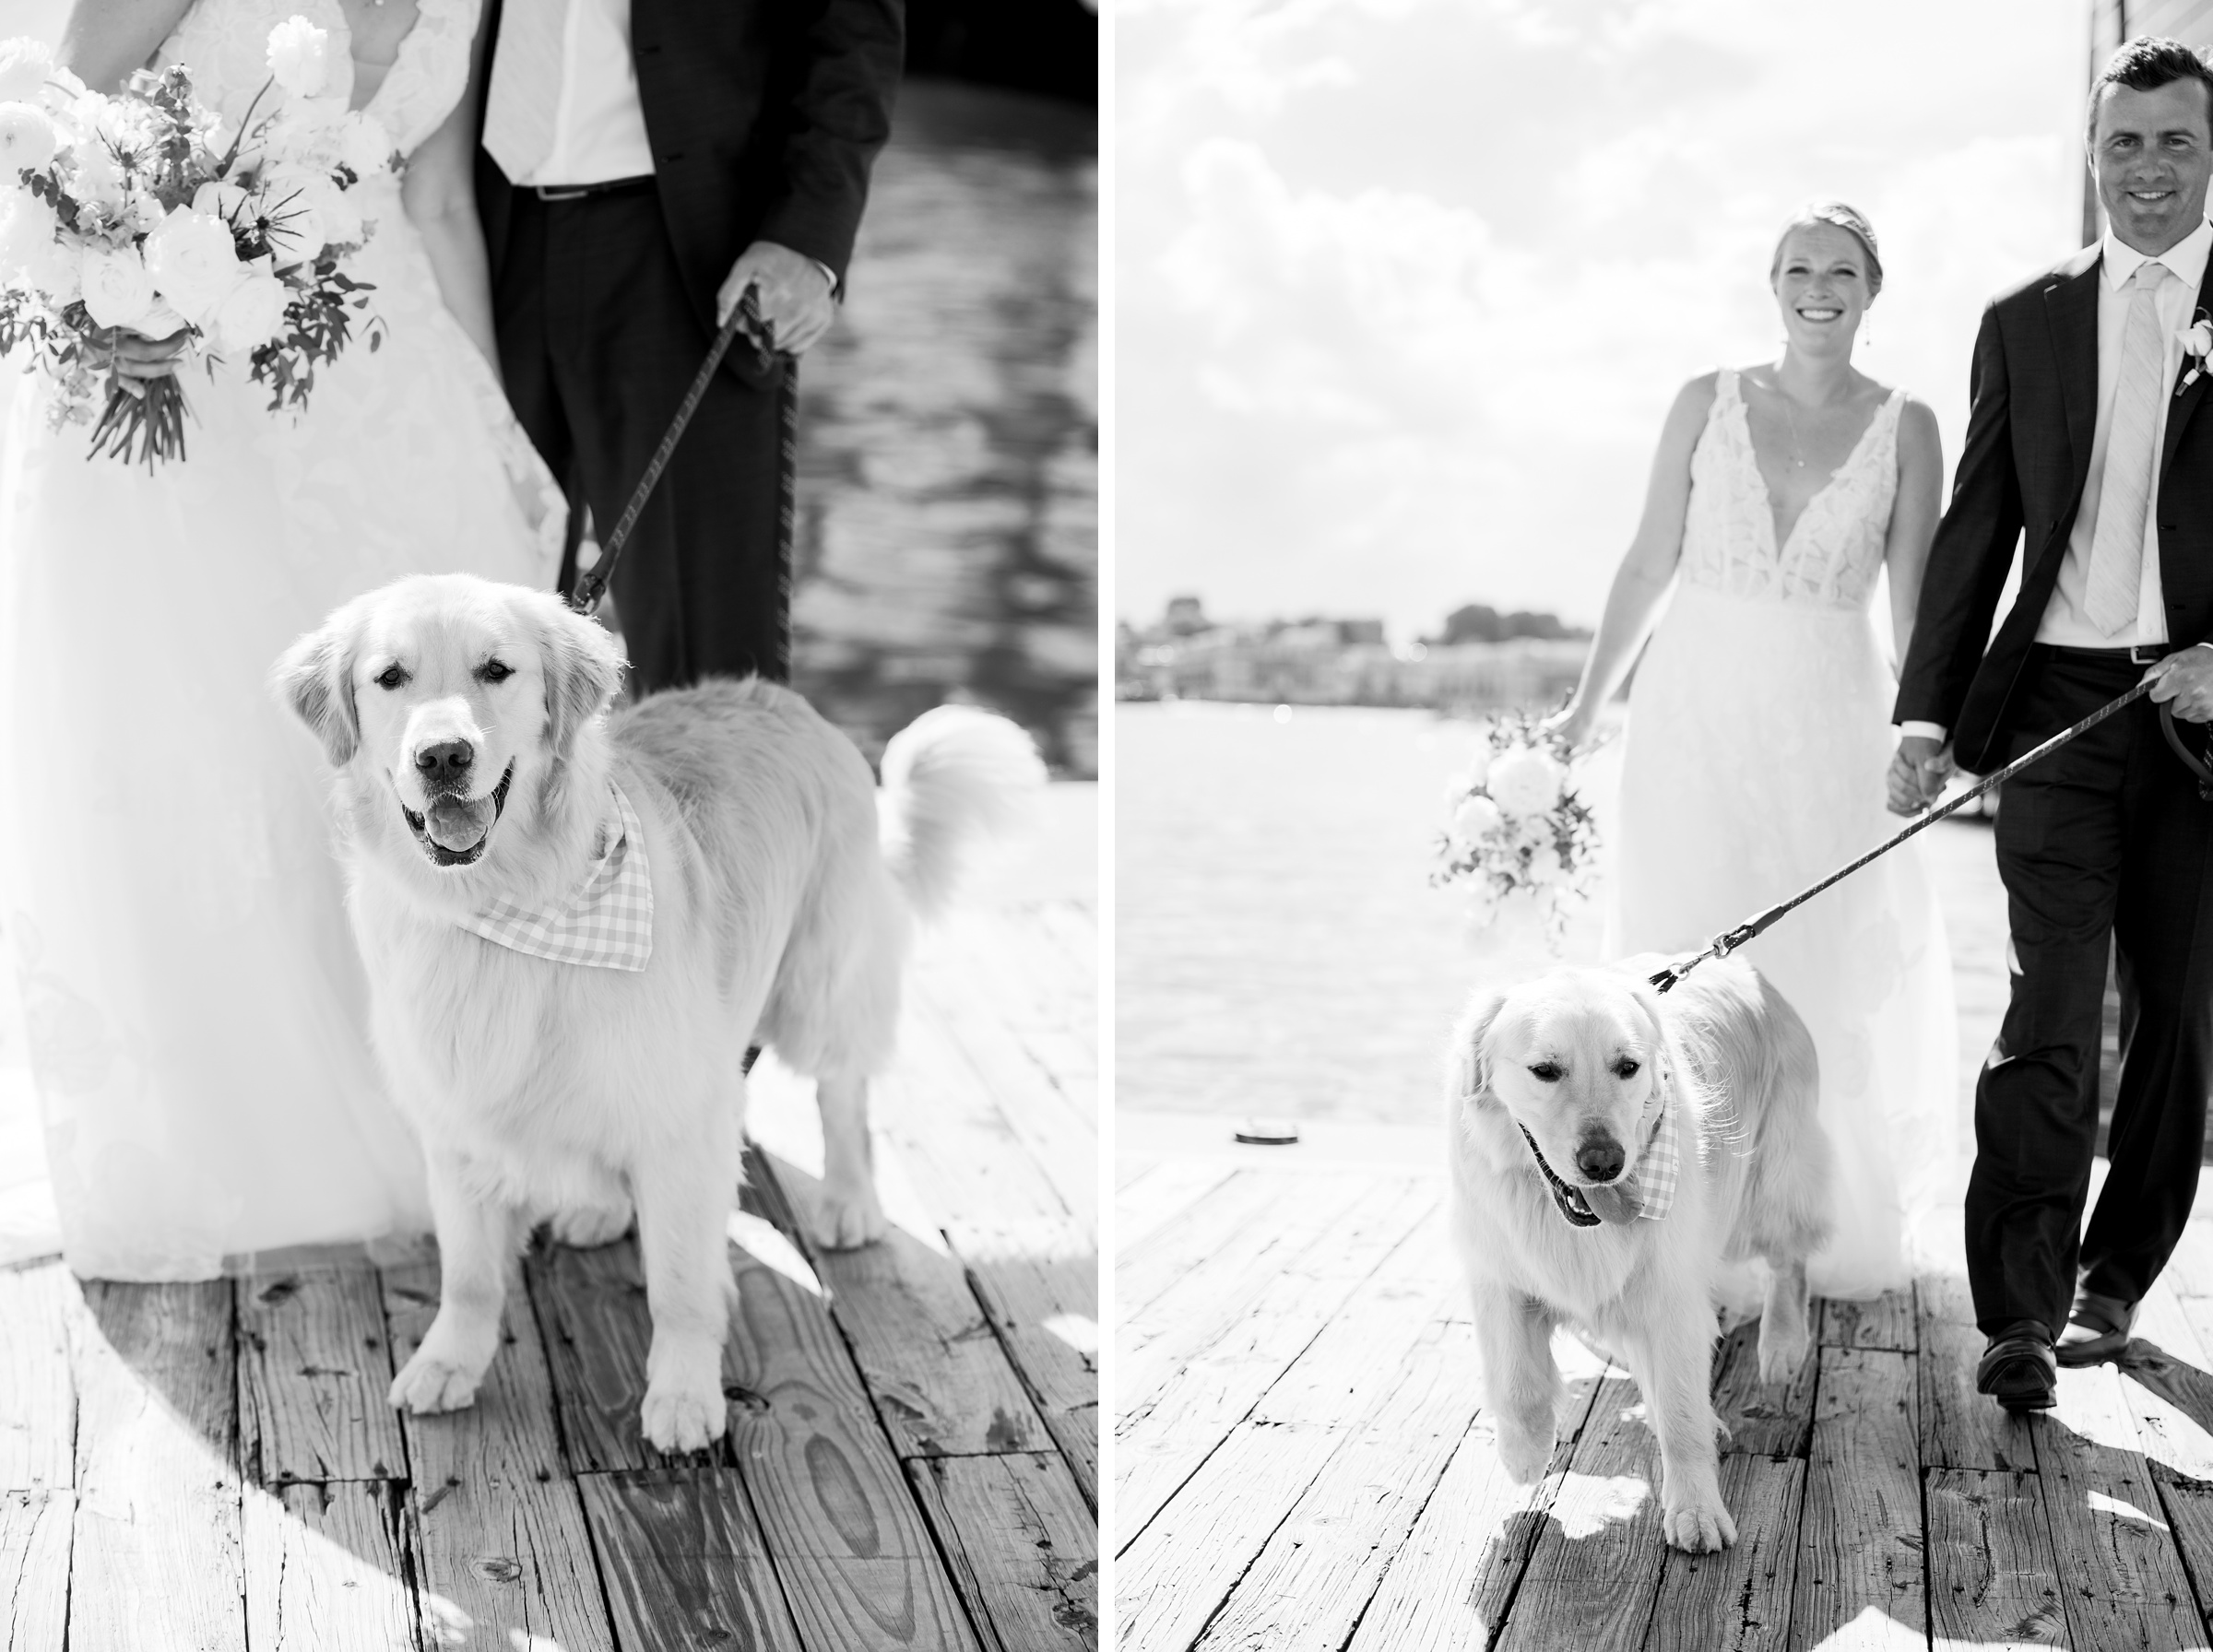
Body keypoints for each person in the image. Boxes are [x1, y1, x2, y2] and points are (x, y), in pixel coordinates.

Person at [0, 0, 564, 1279]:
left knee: (406, 764)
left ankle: (437, 1114)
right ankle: (234, 1129)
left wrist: (494, 429)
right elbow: (54, 122)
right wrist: (115, 301)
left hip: (381, 376)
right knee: (216, 746)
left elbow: (438, 207)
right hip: (178, 383)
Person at [1549, 201, 1958, 1300]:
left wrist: (1924, 730)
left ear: (1873, 291)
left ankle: (1798, 1238)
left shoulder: (1909, 424)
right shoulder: (1705, 399)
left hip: (1830, 718)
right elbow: (1645, 563)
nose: (1817, 286)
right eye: (1796, 269)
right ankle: (1668, 1235)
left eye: (1840, 271)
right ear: (1771, 285)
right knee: (1678, 964)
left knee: (1812, 966)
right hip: (1689, 716)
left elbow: (1915, 604)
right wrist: (1586, 713)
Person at [1894, 36, 2213, 1412]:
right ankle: (2018, 1311)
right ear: (2091, 156)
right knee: (2047, 1003)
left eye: (2176, 143)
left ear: (2212, 154)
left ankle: (2117, 1275)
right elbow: (1975, 531)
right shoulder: (2023, 318)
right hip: (2062, 710)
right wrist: (1925, 713)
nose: (2147, 169)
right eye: (2124, 144)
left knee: (2177, 1016)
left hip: (2203, 709)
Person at [471, 0, 903, 691]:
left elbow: (849, 21)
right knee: (472, 621)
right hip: (470, 229)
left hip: (689, 245)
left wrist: (809, 229)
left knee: (706, 656)